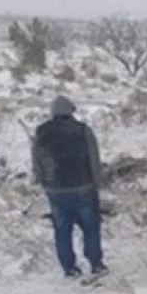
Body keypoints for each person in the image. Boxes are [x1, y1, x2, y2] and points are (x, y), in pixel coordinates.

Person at [31, 96, 105, 278]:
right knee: (90, 227)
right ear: (71, 111)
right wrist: (97, 181)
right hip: (83, 187)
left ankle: (69, 267)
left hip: (55, 190)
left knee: (62, 230)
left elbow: (37, 161)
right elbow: (94, 159)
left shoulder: (41, 132)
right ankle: (95, 263)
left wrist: (43, 181)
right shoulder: (83, 131)